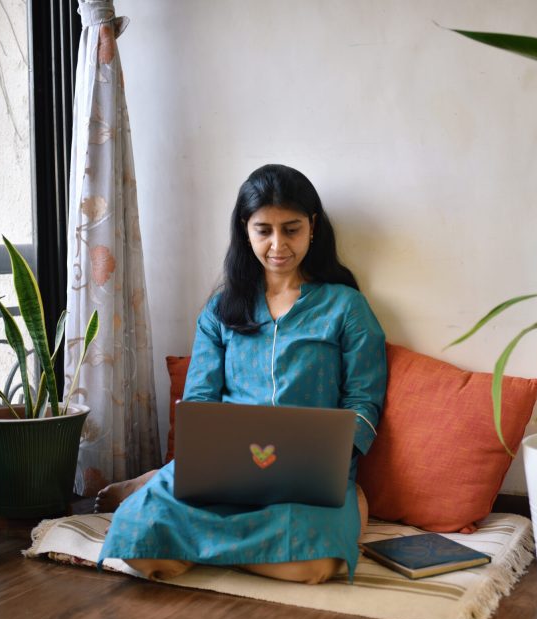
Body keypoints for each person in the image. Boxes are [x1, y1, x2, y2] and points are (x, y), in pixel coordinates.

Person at [96, 164, 387, 585]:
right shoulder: (220, 310)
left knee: (315, 566)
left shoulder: (346, 307)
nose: (277, 244)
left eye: (291, 229)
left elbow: (364, 400)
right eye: (263, 230)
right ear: (245, 230)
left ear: (313, 228)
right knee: (135, 542)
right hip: (222, 473)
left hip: (306, 479)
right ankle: (203, 523)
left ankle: (201, 548)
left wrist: (342, 456)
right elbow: (198, 399)